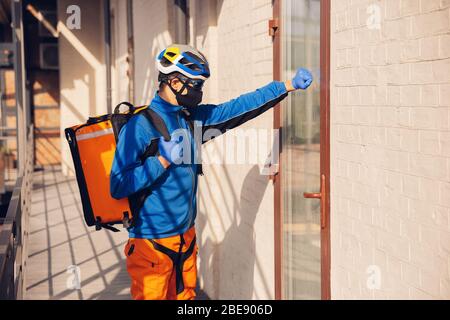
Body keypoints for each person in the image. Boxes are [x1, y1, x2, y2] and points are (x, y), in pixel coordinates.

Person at [110, 44, 313, 300]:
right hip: (151, 244)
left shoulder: (191, 119)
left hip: (186, 237)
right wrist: (161, 160)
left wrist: (286, 86)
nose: (199, 92)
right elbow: (117, 184)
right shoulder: (140, 127)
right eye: (195, 85)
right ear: (173, 81)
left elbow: (239, 107)